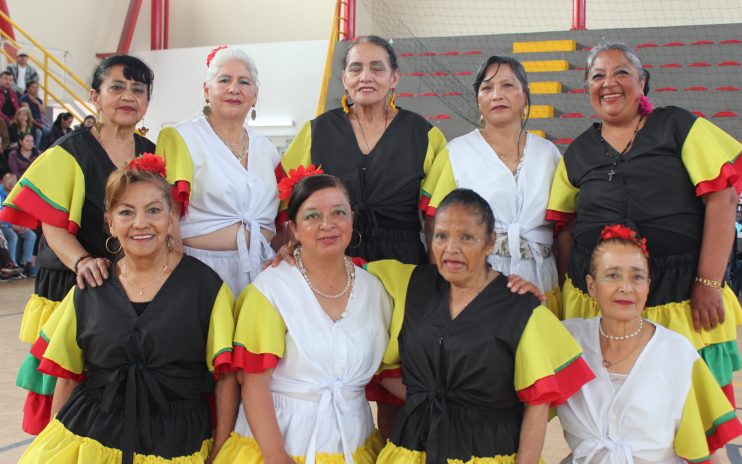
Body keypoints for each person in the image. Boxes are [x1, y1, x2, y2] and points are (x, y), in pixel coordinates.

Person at [547, 42, 742, 407]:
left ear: (643, 83)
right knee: (609, 410)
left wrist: (708, 281)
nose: (609, 82)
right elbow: (564, 229)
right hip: (599, 302)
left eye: (621, 72)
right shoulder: (577, 151)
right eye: (598, 76)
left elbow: (722, 198)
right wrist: (574, 291)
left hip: (680, 296)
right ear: (588, 90)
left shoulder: (679, 126)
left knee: (687, 412)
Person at [17, 154, 236, 464]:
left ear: (171, 216)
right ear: (109, 221)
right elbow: (68, 377)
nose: (141, 223)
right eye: (126, 212)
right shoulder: (90, 287)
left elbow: (225, 379)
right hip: (89, 439)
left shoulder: (207, 288)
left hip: (175, 443)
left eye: (154, 210)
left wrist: (219, 450)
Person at [363, 189, 594, 464]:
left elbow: (538, 401)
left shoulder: (519, 307)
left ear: (490, 242)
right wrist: (294, 251)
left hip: (489, 456)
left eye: (467, 237)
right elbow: (335, 272)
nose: (451, 248)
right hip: (412, 453)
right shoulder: (407, 284)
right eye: (442, 236)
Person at [0, 54, 155, 434]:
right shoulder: (66, 152)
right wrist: (84, 262)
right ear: (95, 97)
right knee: (69, 392)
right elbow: (53, 226)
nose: (128, 96)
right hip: (75, 281)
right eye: (116, 86)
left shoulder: (152, 152)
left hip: (130, 284)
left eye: (138, 89)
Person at [211, 173, 392, 464]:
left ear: (352, 219)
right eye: (312, 216)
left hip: (354, 443)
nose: (327, 224)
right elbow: (253, 383)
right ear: (293, 228)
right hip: (280, 445)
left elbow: (388, 373)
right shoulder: (270, 290)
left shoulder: (376, 288)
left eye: (338, 213)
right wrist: (275, 456)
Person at [556, 225, 742, 464]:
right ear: (591, 286)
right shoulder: (568, 340)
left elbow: (704, 448)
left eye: (636, 277)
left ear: (648, 286)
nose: (626, 287)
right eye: (613, 275)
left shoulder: (677, 351)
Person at [279, 35, 453, 266]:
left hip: (402, 263)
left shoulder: (424, 135)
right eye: (356, 69)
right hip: (332, 261)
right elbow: (286, 204)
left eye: (377, 68)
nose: (365, 77)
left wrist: (435, 278)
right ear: (344, 79)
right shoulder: (316, 131)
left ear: (394, 78)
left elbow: (436, 219)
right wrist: (289, 247)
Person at [157, 46, 281, 296]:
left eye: (244, 82)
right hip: (201, 270)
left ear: (255, 95)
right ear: (206, 90)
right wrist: (178, 275)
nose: (234, 89)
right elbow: (166, 214)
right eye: (224, 80)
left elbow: (282, 218)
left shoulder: (267, 149)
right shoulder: (181, 138)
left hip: (264, 271)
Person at [446, 55, 562, 311]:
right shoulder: (456, 152)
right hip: (478, 274)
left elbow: (564, 226)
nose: (497, 94)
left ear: (525, 96)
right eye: (487, 88)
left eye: (508, 85)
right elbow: (436, 225)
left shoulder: (548, 153)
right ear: (478, 100)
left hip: (542, 274)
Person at [0, 172, 37, 276]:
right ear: (3, 181)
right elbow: (1, 215)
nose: (11, 183)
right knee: (12, 236)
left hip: (14, 224)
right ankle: (11, 265)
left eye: (13, 181)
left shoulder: (18, 192)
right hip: (4, 225)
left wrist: (21, 224)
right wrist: (12, 226)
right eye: (8, 180)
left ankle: (26, 264)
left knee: (31, 235)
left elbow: (22, 211)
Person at [20, 82, 50, 147]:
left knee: (50, 132)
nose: (35, 89)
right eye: (33, 87)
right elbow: (27, 114)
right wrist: (38, 124)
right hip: (30, 121)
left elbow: (43, 112)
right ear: (28, 89)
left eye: (37, 87)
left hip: (39, 121)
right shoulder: (24, 99)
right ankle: (35, 149)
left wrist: (38, 104)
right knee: (39, 132)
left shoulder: (38, 100)